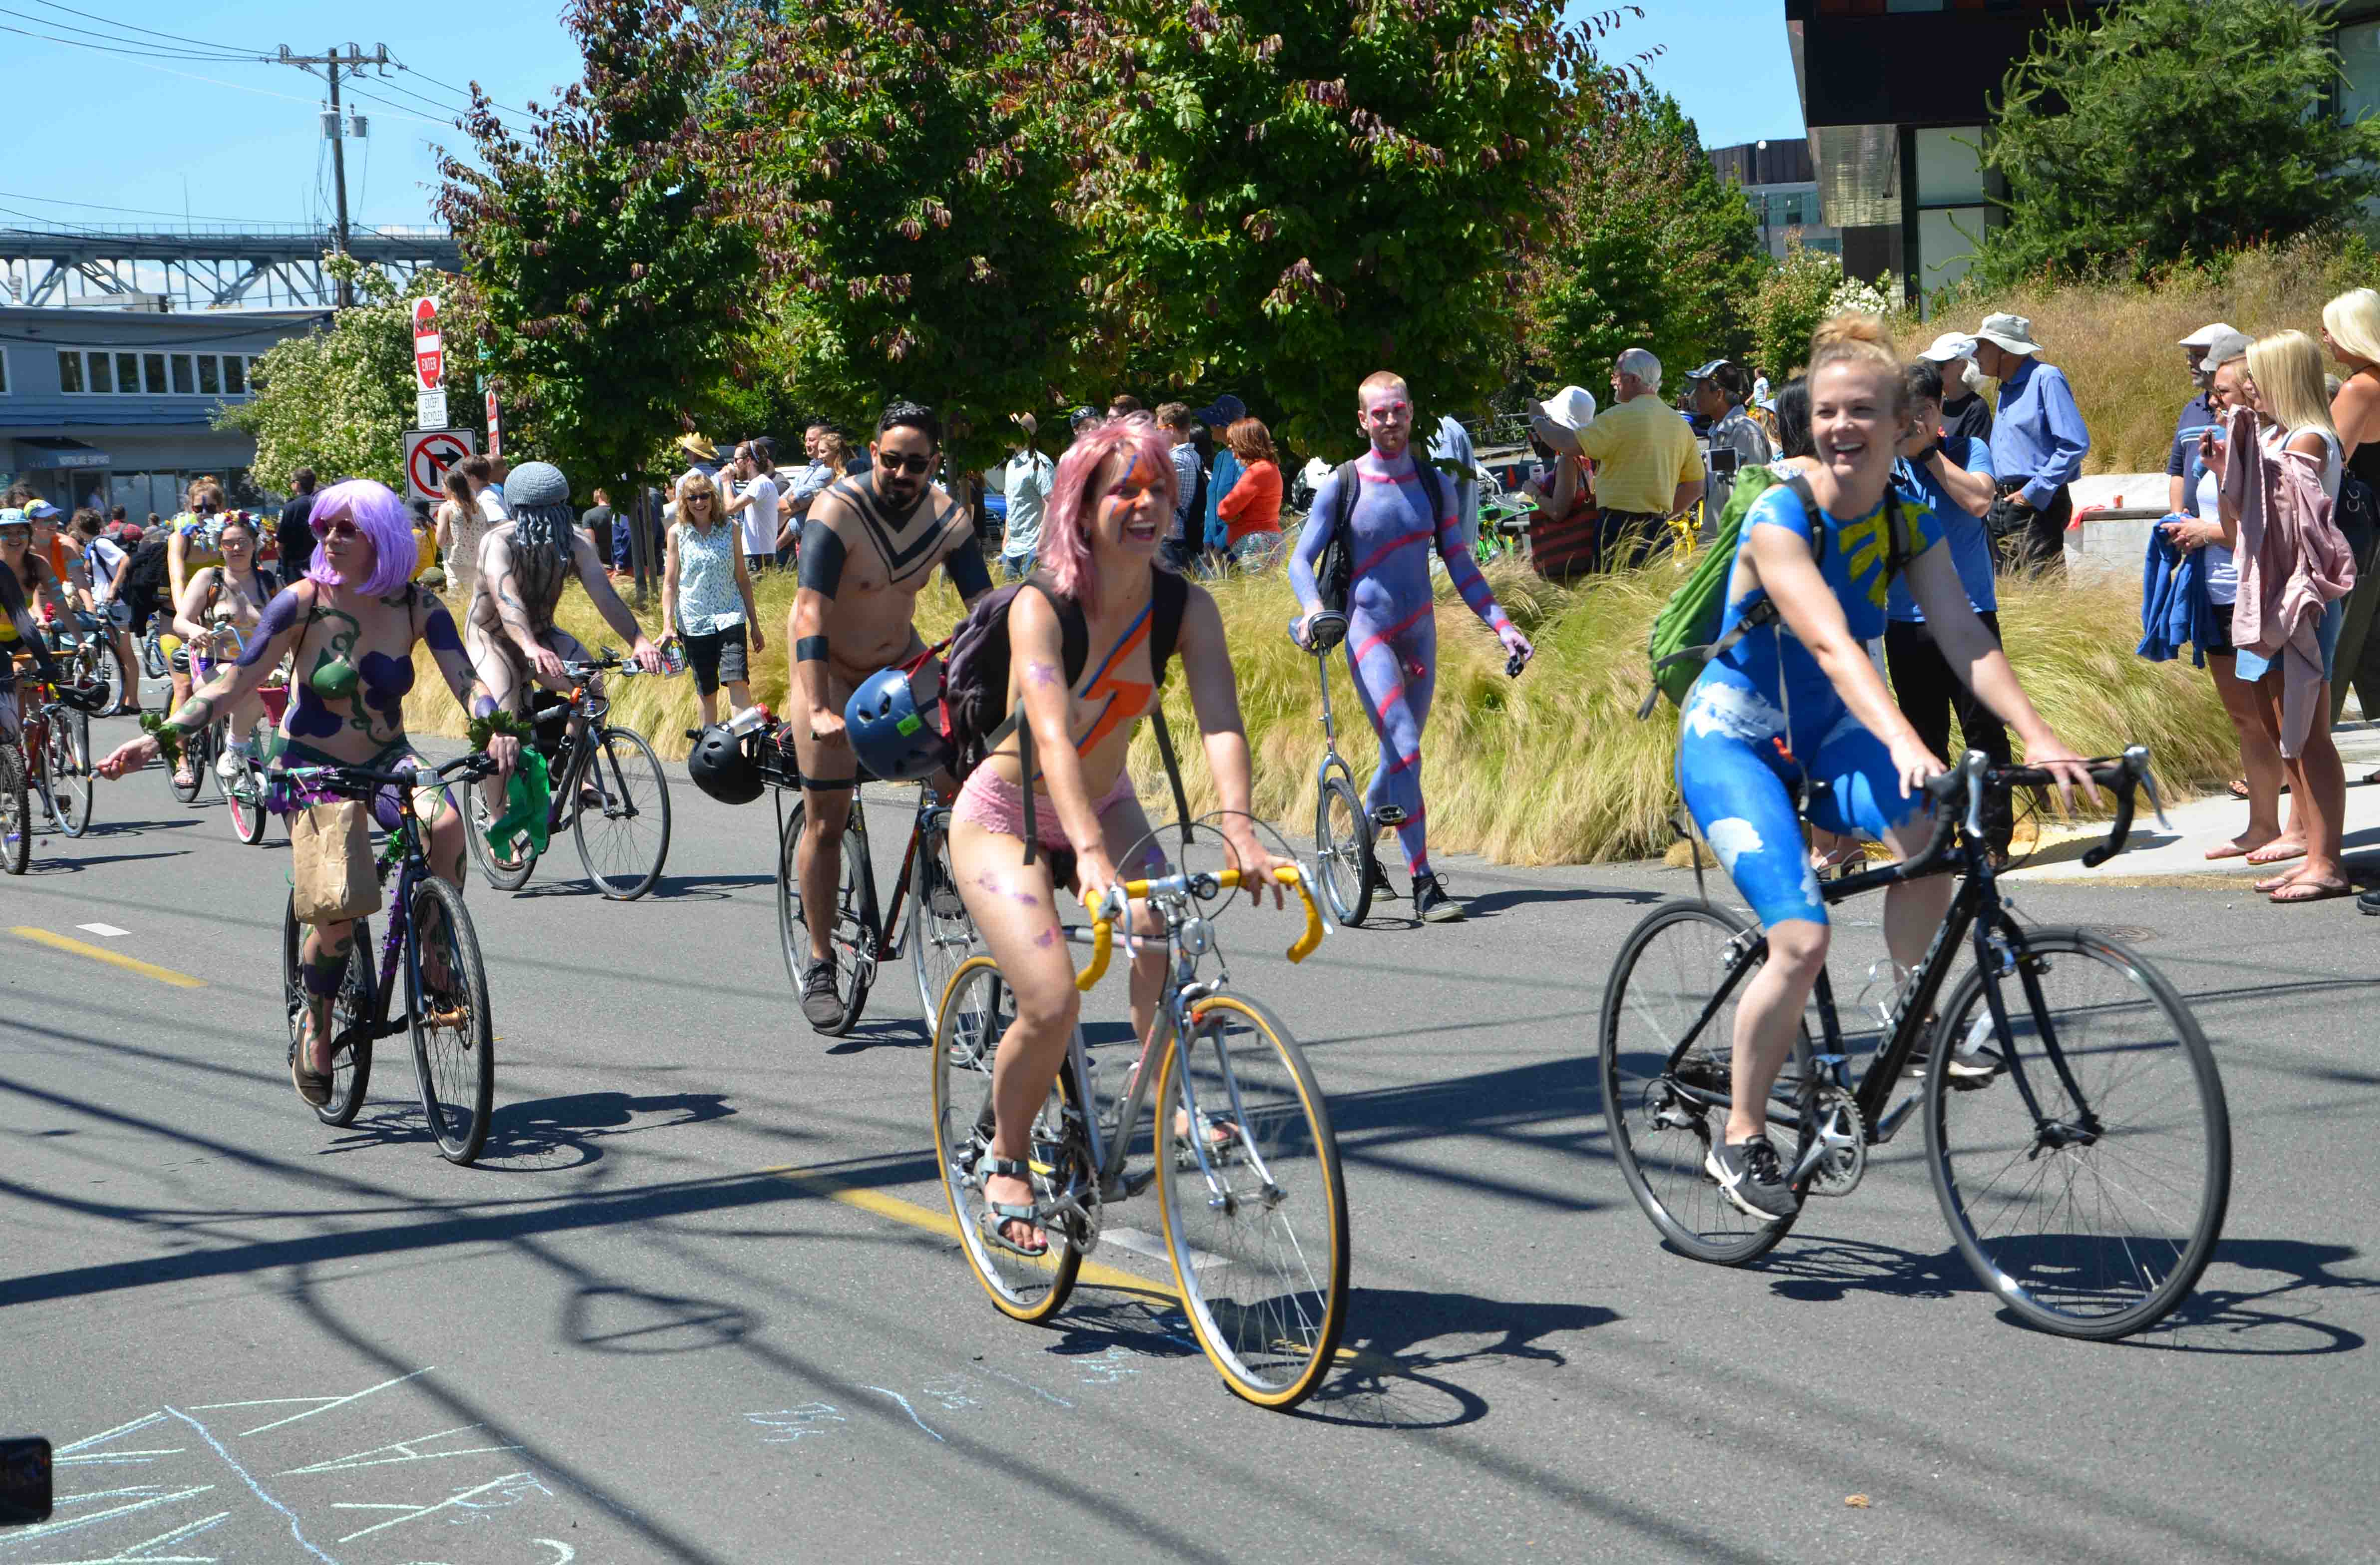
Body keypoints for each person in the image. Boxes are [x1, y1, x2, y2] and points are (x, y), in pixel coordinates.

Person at [1675, 315, 2093, 1221]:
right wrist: (1906, 739)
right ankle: (1741, 1134)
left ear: (1902, 419)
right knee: (1801, 939)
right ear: (1806, 423)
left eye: (1861, 409)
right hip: (1735, 740)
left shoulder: (1904, 512)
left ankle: (1911, 1018)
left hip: (1829, 735)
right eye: (1826, 411)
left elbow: (1959, 631)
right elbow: (1827, 641)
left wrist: (2037, 730)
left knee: (1933, 836)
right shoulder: (1778, 514)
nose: (1841, 427)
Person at [945, 412, 1289, 1258]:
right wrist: (1090, 861)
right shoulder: (1042, 606)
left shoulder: (1184, 607)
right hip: (1008, 816)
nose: (1144, 504)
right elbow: (1052, 735)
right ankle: (1004, 1156)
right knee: (1053, 998)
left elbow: (1220, 723)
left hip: (1104, 803)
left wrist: (1239, 830)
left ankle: (1163, 1100)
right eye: (1122, 490)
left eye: (1157, 491)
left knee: (1162, 935)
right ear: (1079, 504)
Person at [95, 480, 521, 1107]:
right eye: (325, 528)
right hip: (312, 766)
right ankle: (315, 1020)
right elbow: (235, 684)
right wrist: (160, 738)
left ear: (381, 536)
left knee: (447, 819)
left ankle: (436, 953)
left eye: (346, 527)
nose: (331, 538)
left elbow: (468, 679)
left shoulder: (415, 606)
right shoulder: (300, 603)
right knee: (341, 911)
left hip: (386, 757)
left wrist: (495, 726)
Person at [1289, 371, 1535, 923]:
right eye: (1378, 413)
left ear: (1411, 411)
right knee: (1404, 741)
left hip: (1419, 632)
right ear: (1363, 420)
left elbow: (1460, 563)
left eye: (1397, 410)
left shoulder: (1431, 483)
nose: (1390, 421)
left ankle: (1358, 846)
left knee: (1399, 756)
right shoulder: (1344, 483)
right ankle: (1424, 880)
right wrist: (1310, 610)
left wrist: (1502, 625)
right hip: (1366, 630)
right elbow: (1299, 560)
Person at [787, 400, 995, 1026]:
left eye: (917, 464)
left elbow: (983, 608)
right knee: (828, 820)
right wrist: (821, 705)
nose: (903, 473)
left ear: (935, 464)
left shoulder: (948, 519)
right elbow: (808, 612)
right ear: (872, 453)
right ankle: (822, 960)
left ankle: (942, 866)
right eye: (892, 459)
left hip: (899, 666)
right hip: (829, 672)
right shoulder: (838, 510)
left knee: (966, 778)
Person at [2200, 330, 2353, 904]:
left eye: (2256, 376)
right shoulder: (2273, 437)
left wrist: (2243, 458)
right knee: (2282, 735)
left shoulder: (2310, 440)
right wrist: (2224, 472)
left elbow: (2289, 516)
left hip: (2301, 604)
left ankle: (2326, 861)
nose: (2246, 387)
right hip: (2267, 599)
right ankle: (2312, 850)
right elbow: (2243, 532)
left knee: (2309, 736)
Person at [464, 460, 666, 822]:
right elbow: (506, 599)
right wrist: (529, 649)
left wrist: (638, 639)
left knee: (593, 686)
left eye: (553, 511)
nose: (546, 520)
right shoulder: (497, 543)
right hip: (492, 637)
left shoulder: (575, 543)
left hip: (542, 632)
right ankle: (499, 821)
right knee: (504, 726)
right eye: (537, 512)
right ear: (518, 510)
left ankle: (578, 774)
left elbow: (604, 595)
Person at [2162, 338, 2295, 868]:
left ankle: (2300, 827)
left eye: (2221, 392)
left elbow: (2268, 530)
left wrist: (2204, 529)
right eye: (2212, 394)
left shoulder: (2271, 445)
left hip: (2258, 596)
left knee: (2282, 721)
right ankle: (2262, 825)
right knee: (2245, 719)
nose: (2211, 403)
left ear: (2249, 392)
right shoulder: (2220, 439)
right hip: (2217, 595)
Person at [1882, 361, 2010, 860]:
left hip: (1970, 615)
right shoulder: (1885, 463)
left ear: (1940, 409)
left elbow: (1979, 501)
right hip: (1906, 622)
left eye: (1926, 411)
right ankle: (1938, 841)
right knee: (1923, 736)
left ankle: (1992, 840)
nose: (1916, 422)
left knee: (1983, 730)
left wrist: (1929, 452)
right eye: (1906, 414)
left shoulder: (1965, 449)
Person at [1972, 313, 2088, 572]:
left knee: (2044, 599)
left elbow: (2075, 443)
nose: (1976, 354)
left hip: (2036, 506)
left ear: (2004, 351)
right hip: (2005, 505)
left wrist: (2032, 493)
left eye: (1982, 346)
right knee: (2013, 601)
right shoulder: (2006, 387)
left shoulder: (2046, 378)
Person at [171, 510, 276, 781]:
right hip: (214, 666)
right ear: (220, 546)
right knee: (245, 684)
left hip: (263, 665)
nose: (236, 548)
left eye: (243, 542)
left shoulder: (268, 582)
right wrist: (195, 630)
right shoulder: (209, 578)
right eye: (229, 543)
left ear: (256, 544)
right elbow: (180, 621)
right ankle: (235, 746)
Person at [1576, 347, 1703, 568]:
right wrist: (1659, 516)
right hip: (1658, 530)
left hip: (1616, 530)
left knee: (1611, 598)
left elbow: (1569, 445)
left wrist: (1538, 420)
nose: (1613, 381)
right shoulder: (1680, 424)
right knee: (1654, 600)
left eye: (1617, 375)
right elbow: (1695, 486)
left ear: (1634, 379)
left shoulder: (1617, 417)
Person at [2320, 291, 2380, 754]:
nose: (2324, 337)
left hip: (2363, 534)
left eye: (2330, 328)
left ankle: (2297, 759)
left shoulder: (2361, 387)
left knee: (2335, 645)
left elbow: (2326, 462)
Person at [661, 469, 763, 727]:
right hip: (694, 621)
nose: (699, 502)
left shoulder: (732, 529)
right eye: (692, 498)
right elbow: (671, 583)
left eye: (704, 496)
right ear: (684, 502)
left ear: (713, 497)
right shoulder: (677, 533)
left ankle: (745, 750)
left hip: (730, 615)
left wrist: (755, 625)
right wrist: (667, 626)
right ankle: (711, 749)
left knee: (737, 679)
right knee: (707, 690)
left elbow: (742, 577)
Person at [1519, 385, 1600, 582]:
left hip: (1568, 559)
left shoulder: (1568, 460)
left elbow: (1558, 511)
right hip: (1587, 548)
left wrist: (1535, 493)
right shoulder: (1589, 455)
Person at [1689, 361, 1775, 537]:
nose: (1694, 396)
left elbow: (1752, 496)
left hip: (1733, 546)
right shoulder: (1719, 430)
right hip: (1716, 542)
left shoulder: (1746, 433)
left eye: (1701, 390)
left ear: (1719, 394)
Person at [69, 510, 139, 714]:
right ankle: (126, 699)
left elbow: (124, 560)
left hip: (115, 604)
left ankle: (132, 701)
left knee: (125, 653)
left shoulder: (101, 543)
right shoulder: (93, 546)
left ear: (80, 528)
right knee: (120, 653)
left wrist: (113, 588)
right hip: (106, 603)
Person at [2171, 324, 2235, 517]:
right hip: (2192, 534)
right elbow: (2178, 472)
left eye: (2199, 356)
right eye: (2189, 356)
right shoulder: (2190, 411)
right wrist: (2177, 518)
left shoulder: (2247, 413)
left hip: (2230, 536)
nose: (2190, 363)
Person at [1215, 416, 1284, 569]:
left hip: (1256, 545)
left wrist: (1233, 516)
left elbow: (1224, 510)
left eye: (1234, 445)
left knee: (1258, 593)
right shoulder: (1270, 467)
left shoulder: (1258, 471)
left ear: (1246, 443)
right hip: (1266, 542)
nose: (1232, 450)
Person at [999, 414, 1055, 580]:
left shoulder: (1040, 463)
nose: (1003, 433)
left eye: (1010, 429)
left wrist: (1041, 544)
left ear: (1023, 433)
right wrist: (1005, 543)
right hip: (1011, 551)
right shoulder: (1011, 465)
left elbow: (1052, 504)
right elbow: (1011, 506)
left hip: (1033, 548)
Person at [1197, 394, 1248, 565]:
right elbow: (1211, 503)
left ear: (1226, 426)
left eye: (1214, 421)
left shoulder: (1244, 460)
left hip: (1235, 548)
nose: (1209, 426)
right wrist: (1207, 541)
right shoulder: (1220, 458)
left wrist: (1219, 547)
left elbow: (1241, 509)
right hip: (1214, 549)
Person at [1155, 403, 1205, 574]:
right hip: (1181, 539)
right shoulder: (1194, 455)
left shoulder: (1175, 459)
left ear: (1169, 429)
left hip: (1170, 539)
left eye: (1158, 428)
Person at [1917, 333, 1993, 446]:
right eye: (1931, 365)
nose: (1933, 370)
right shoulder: (1936, 403)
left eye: (1940, 365)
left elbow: (1973, 459)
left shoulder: (1977, 409)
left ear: (1963, 366)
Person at [722, 442, 783, 575]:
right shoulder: (762, 483)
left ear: (748, 461)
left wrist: (726, 483)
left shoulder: (759, 484)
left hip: (757, 557)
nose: (734, 464)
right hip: (761, 554)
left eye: (736, 460)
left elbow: (730, 508)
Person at [278, 467, 320, 579]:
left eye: (292, 482)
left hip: (297, 569)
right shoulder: (322, 503)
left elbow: (279, 545)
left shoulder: (290, 508)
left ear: (297, 484)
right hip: (321, 564)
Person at [581, 486, 617, 570]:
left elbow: (590, 543)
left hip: (602, 566)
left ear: (600, 493)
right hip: (621, 564)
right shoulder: (621, 513)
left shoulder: (589, 515)